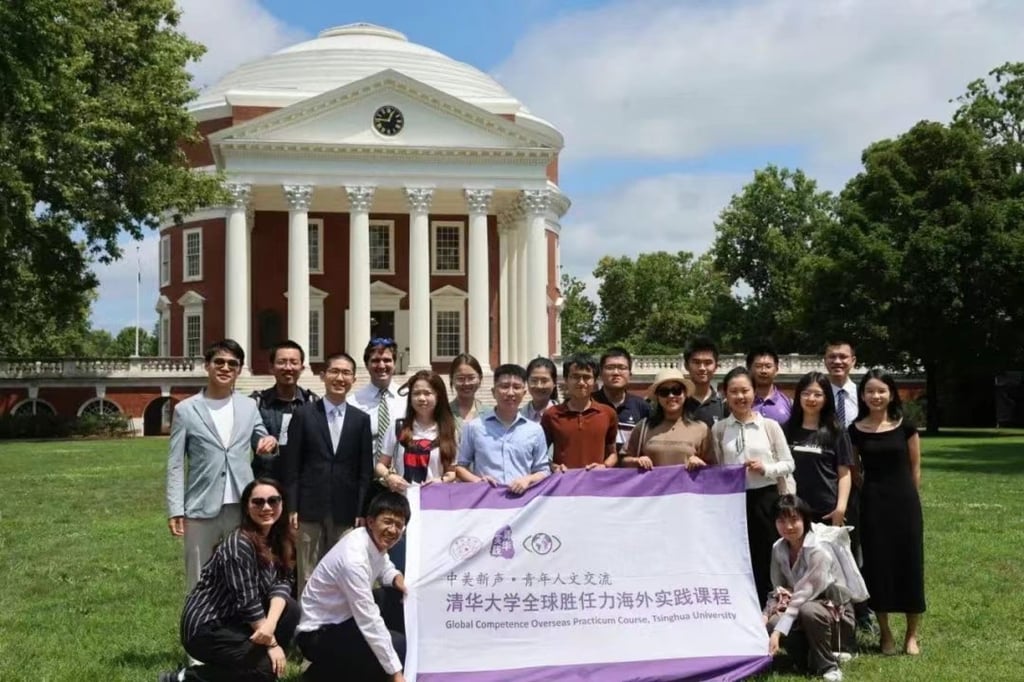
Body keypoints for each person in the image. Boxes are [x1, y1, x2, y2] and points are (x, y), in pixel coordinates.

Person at [159, 478, 299, 682]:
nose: (266, 507)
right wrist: (272, 645)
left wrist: (270, 625)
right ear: (247, 507)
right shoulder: (239, 544)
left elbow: (283, 582)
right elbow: (248, 602)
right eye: (258, 502)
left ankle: (245, 665)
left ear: (282, 503)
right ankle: (185, 678)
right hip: (206, 627)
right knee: (265, 670)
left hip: (235, 619)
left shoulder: (279, 538)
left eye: (273, 501)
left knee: (291, 610)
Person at [167, 339, 278, 592]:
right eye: (219, 362)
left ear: (239, 370)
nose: (226, 368)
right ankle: (199, 627)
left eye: (233, 364)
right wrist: (175, 508)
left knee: (243, 571)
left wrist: (269, 440)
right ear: (207, 366)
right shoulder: (186, 410)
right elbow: (175, 464)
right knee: (199, 575)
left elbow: (261, 436)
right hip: (200, 505)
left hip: (242, 504)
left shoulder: (248, 406)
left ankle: (238, 626)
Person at [282, 352, 373, 595]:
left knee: (343, 571)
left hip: (346, 510)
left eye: (346, 373)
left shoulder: (361, 420)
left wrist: (361, 511)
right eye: (334, 371)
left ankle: (337, 628)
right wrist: (292, 506)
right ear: (323, 376)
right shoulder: (304, 415)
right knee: (308, 573)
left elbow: (365, 471)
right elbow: (292, 465)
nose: (340, 378)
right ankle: (307, 628)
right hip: (309, 508)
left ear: (354, 379)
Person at [295, 492, 411, 682]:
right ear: (371, 521)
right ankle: (319, 673)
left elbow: (384, 565)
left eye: (399, 525)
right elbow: (368, 619)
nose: (392, 530)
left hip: (344, 617)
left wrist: (397, 578)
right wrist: (395, 673)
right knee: (398, 645)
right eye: (388, 521)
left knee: (396, 596)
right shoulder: (353, 559)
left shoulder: (369, 539)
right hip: (317, 632)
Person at [848, 369, 925, 655]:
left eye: (881, 391)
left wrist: (909, 498)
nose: (876, 396)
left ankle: (911, 635)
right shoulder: (855, 430)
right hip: (872, 505)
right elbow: (855, 470)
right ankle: (886, 634)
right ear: (863, 395)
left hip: (904, 504)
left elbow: (915, 467)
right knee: (878, 567)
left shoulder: (906, 426)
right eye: (870, 391)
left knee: (910, 564)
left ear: (891, 393)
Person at [711, 366, 795, 608]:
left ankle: (770, 609)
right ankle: (742, 608)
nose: (740, 397)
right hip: (734, 502)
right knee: (738, 558)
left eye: (745, 390)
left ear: (753, 392)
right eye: (733, 391)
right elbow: (717, 467)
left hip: (767, 499)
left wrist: (766, 468)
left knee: (767, 557)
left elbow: (789, 464)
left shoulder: (769, 426)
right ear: (725, 394)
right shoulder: (719, 429)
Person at [764, 495, 854, 682]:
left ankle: (829, 664)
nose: (788, 526)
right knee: (772, 621)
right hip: (799, 608)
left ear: (805, 519)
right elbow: (779, 590)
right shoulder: (778, 548)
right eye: (781, 520)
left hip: (833, 612)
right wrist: (765, 616)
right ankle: (808, 660)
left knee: (808, 610)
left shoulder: (818, 550)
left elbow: (804, 594)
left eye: (794, 519)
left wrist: (779, 632)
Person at [375, 370, 458, 572]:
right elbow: (379, 464)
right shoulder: (398, 426)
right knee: (401, 566)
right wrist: (389, 476)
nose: (422, 398)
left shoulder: (448, 429)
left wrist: (443, 481)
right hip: (402, 508)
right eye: (416, 393)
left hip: (435, 509)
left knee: (432, 568)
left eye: (428, 393)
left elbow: (454, 472)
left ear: (438, 396)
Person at [456, 364, 550, 493]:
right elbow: (460, 468)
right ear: (493, 392)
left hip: (523, 503)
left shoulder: (535, 430)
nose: (510, 392)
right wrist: (478, 481)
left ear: (524, 393)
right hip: (486, 501)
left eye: (516, 387)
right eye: (504, 386)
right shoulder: (474, 427)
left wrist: (528, 479)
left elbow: (544, 470)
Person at [784, 372, 852, 527]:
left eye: (817, 394)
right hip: (794, 510)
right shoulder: (786, 430)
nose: (811, 399)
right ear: (798, 396)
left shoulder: (837, 431)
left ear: (826, 398)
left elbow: (844, 473)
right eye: (806, 394)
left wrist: (840, 508)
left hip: (827, 510)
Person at [251, 340, 318, 482]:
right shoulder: (256, 403)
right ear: (271, 367)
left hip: (302, 482)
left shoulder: (313, 403)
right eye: (281, 362)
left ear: (302, 368)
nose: (288, 367)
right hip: (265, 481)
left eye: (294, 362)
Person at [621, 368, 711, 471]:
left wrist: (700, 463)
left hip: (687, 487)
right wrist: (636, 461)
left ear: (685, 394)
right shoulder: (644, 427)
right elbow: (623, 461)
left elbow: (714, 467)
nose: (671, 396)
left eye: (676, 390)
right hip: (652, 486)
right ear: (657, 397)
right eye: (664, 392)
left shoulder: (701, 429)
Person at [541, 354, 618, 471]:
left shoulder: (608, 413)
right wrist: (553, 467)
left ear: (595, 381)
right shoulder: (551, 414)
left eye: (587, 377)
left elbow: (613, 453)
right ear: (566, 380)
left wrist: (605, 465)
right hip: (564, 484)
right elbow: (540, 455)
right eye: (575, 377)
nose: (581, 382)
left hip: (596, 483)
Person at [349, 338, 408, 461]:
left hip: (402, 476)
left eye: (387, 360)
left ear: (394, 363)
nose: (381, 366)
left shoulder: (408, 399)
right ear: (366, 365)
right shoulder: (353, 402)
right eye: (375, 361)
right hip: (366, 475)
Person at [592, 347, 651, 456]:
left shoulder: (643, 407)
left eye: (622, 368)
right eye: (610, 367)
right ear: (600, 373)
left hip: (631, 471)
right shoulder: (589, 404)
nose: (616, 373)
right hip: (597, 471)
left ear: (630, 374)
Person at [684, 336, 727, 427]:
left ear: (716, 367)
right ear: (686, 365)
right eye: (696, 362)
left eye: (708, 363)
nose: (702, 368)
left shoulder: (724, 405)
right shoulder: (677, 401)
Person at [747, 344, 793, 426]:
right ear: (749, 369)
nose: (763, 371)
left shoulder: (789, 404)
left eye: (768, 366)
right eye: (758, 366)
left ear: (776, 370)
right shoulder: (740, 402)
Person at [823, 341, 858, 429]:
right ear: (825, 360)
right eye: (832, 357)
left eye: (843, 357)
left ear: (853, 361)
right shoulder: (817, 396)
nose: (837, 361)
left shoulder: (863, 395)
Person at [448, 353, 486, 428]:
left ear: (480, 378)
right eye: (460, 378)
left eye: (471, 378)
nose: (466, 383)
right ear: (452, 379)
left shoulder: (490, 414)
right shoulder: (444, 413)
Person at [521, 357, 559, 422]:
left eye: (544, 381)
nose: (539, 386)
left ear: (554, 382)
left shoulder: (563, 416)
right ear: (527, 381)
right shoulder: (519, 416)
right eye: (534, 380)